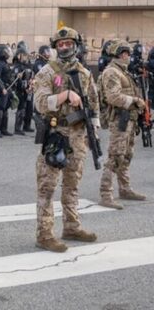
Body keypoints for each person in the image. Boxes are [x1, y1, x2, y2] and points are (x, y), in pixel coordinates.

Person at [34, 27, 99, 252]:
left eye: (68, 43)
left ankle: (71, 226)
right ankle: (44, 234)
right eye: (60, 44)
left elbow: (93, 103)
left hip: (78, 136)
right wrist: (65, 96)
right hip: (56, 135)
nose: (64, 47)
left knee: (72, 185)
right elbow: (40, 103)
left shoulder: (84, 73)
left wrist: (94, 132)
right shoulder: (47, 72)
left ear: (75, 45)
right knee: (47, 187)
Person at [98, 40, 146, 210]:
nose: (128, 56)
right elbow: (113, 97)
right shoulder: (112, 72)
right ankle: (106, 193)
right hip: (120, 119)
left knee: (126, 155)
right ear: (118, 54)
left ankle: (124, 189)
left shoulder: (123, 72)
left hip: (129, 119)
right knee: (115, 156)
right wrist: (135, 100)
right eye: (125, 53)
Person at [12, 42, 32, 135]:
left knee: (23, 109)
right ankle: (17, 128)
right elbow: (17, 81)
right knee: (20, 109)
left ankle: (21, 126)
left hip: (26, 90)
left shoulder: (26, 66)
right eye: (24, 56)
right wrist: (24, 88)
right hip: (20, 91)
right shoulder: (17, 67)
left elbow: (28, 78)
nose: (25, 57)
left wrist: (30, 86)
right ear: (19, 56)